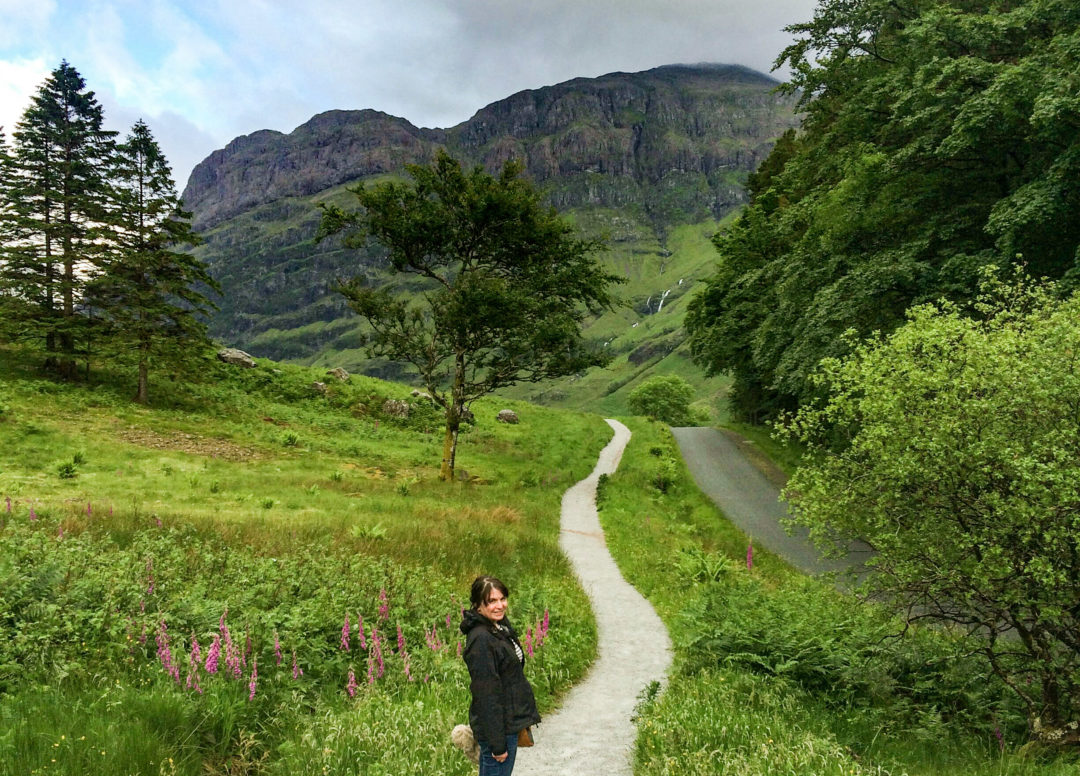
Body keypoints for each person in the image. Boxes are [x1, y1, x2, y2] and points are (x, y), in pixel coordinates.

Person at [460, 575, 541, 776]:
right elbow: (486, 695)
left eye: (502, 599)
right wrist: (497, 744)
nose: (500, 605)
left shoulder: (498, 627)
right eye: (492, 601)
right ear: (478, 605)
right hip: (499, 730)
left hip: (508, 722)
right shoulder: (481, 640)